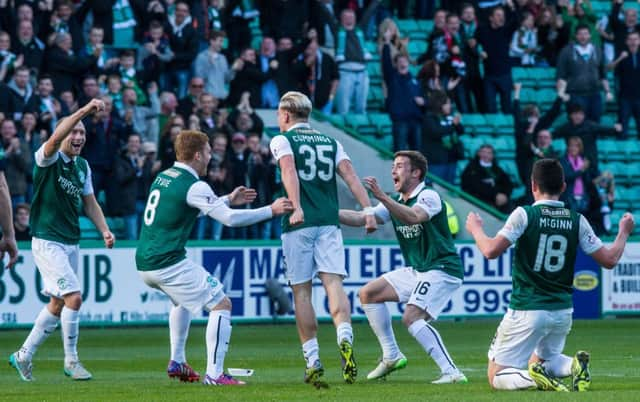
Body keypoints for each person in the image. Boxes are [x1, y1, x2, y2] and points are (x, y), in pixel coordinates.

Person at [135, 130, 293, 386]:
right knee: (222, 304)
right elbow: (229, 219)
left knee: (181, 302)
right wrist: (270, 210)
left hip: (145, 261)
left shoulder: (165, 176)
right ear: (198, 155)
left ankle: (177, 361)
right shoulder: (195, 184)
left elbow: (187, 210)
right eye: (209, 152)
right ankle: (215, 374)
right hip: (167, 262)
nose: (211, 157)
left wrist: (227, 199)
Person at [465, 158, 634, 392]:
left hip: (528, 307)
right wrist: (623, 233)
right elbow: (609, 260)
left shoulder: (524, 215)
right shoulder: (577, 219)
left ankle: (536, 379)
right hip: (562, 311)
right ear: (563, 186)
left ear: (533, 185)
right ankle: (574, 365)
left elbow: (490, 251)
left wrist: (475, 228)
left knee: (496, 375)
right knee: (543, 359)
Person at [269, 91, 377, 387]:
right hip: (330, 224)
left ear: (287, 115)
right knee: (334, 285)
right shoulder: (331, 142)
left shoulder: (282, 140)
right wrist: (367, 210)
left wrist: (297, 205)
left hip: (298, 225)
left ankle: (313, 360)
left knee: (302, 292)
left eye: (280, 115)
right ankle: (344, 337)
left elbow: (289, 169)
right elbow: (351, 176)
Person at [9, 99, 115, 382]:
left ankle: (23, 355)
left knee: (57, 304)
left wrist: (104, 229)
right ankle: (71, 360)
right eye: (74, 132)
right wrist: (84, 110)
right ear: (63, 134)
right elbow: (56, 136)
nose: (79, 136)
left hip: (71, 241)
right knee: (74, 297)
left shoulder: (83, 167)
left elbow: (90, 203)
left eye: (82, 133)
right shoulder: (47, 157)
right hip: (47, 239)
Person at [339, 150, 468, 384]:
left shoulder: (429, 196)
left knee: (411, 317)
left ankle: (452, 373)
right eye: (393, 166)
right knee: (368, 293)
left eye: (399, 166)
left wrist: (383, 197)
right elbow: (360, 218)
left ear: (416, 173)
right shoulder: (397, 201)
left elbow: (414, 217)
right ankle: (391, 355)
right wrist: (325, 214)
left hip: (442, 268)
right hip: (419, 269)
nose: (393, 171)